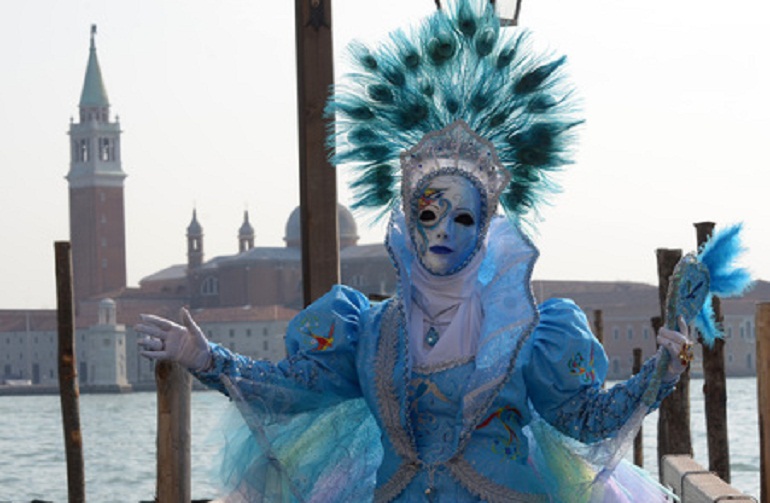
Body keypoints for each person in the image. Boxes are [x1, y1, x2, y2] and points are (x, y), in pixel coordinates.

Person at [136, 2, 693, 501]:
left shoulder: (530, 332)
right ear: (406, 220)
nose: (443, 230)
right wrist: (205, 359)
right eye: (428, 214)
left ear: (487, 227)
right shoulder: (369, 331)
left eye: (463, 216)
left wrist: (661, 373)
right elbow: (292, 393)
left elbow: (586, 419)